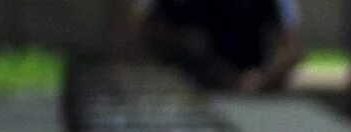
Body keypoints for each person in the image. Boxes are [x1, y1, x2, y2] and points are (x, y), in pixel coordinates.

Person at [123, 0, 304, 93]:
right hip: (180, 92)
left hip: (247, 92)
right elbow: (136, 34)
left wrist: (262, 79)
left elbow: (292, 50)